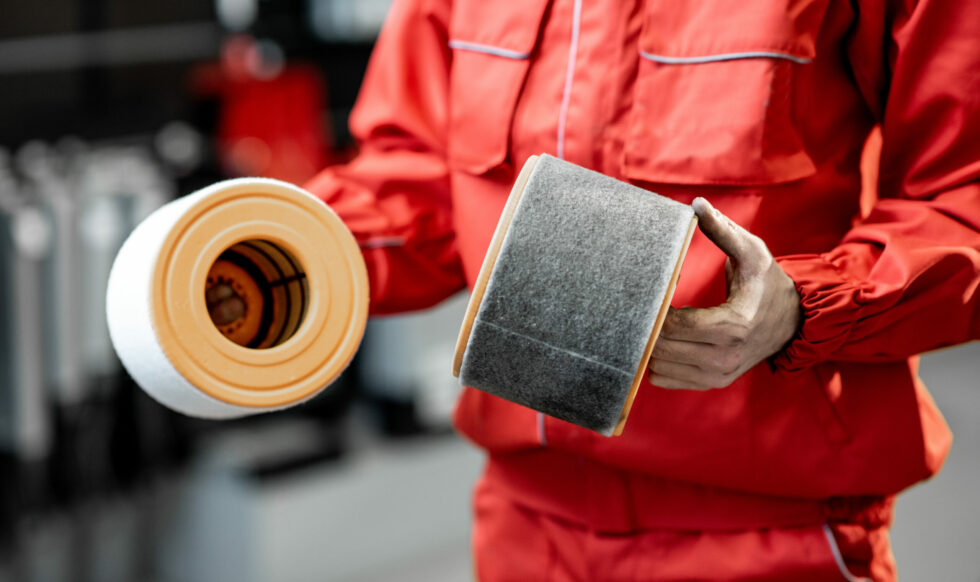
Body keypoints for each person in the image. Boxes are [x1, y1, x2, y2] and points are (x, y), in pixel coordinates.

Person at [304, 0, 980, 579]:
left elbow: (964, 200)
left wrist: (802, 307)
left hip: (768, 533)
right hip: (524, 527)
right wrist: (267, 251)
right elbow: (422, 184)